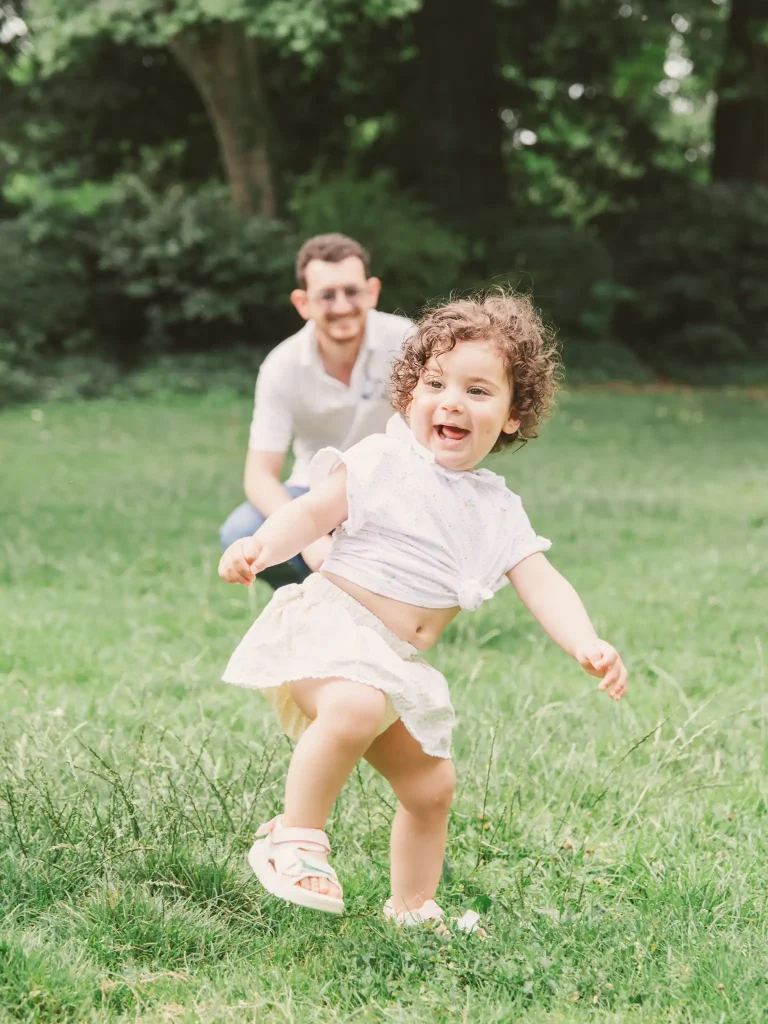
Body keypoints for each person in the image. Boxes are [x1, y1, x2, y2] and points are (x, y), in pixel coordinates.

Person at [218, 291, 628, 929]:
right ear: (410, 394)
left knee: (430, 789)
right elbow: (310, 511)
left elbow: (543, 581)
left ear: (515, 414)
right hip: (328, 632)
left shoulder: (497, 509)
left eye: (477, 390)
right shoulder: (382, 462)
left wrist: (587, 643)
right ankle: (294, 838)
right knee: (352, 707)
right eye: (435, 383)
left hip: (391, 662)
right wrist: (260, 545)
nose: (452, 401)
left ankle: (412, 908)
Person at [219, 233, 414, 589]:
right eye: (326, 295)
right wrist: (308, 541)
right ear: (302, 302)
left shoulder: (407, 343)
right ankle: (311, 598)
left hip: (392, 490)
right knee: (240, 531)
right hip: (314, 490)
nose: (341, 306)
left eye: (351, 292)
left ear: (372, 291)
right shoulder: (282, 365)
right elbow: (260, 476)